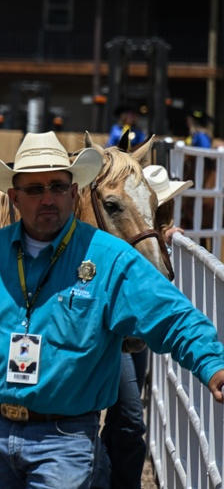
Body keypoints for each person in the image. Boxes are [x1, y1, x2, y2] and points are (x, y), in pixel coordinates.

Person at [0, 131, 224, 489]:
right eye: (35, 189)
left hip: (64, 439)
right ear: (14, 197)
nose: (48, 199)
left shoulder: (109, 259)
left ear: (74, 193)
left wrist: (213, 363)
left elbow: (170, 314)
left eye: (57, 186)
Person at [98, 164, 195, 489]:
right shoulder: (131, 234)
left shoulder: (145, 234)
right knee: (128, 415)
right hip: (118, 322)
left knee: (125, 416)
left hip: (130, 323)